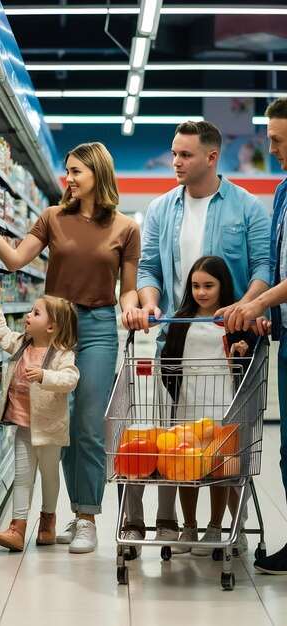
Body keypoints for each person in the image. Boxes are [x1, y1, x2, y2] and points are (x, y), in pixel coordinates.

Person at [0, 141, 141, 554]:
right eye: (68, 170)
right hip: (57, 329)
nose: (69, 178)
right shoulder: (52, 218)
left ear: (98, 173)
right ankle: (70, 512)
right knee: (57, 424)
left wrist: (136, 310)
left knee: (87, 424)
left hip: (99, 328)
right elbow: (14, 260)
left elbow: (129, 291)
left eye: (76, 171)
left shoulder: (126, 228)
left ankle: (87, 518)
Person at [121, 120, 271, 559]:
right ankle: (187, 525)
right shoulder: (163, 208)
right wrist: (150, 302)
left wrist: (247, 307)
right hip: (179, 343)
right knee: (184, 441)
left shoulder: (246, 207)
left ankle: (232, 525)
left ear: (211, 157)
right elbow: (148, 269)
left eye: (185, 155)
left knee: (231, 441)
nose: (175, 162)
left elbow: (263, 266)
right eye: (173, 153)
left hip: (235, 343)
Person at [218, 97, 287, 574]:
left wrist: (259, 301)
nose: (271, 146)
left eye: (279, 138)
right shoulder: (283, 191)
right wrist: (264, 313)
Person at [161, 256, 256, 555]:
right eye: (196, 286)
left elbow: (243, 363)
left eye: (209, 286)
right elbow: (169, 361)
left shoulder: (233, 321)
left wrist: (241, 351)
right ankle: (189, 526)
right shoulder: (181, 320)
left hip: (222, 408)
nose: (201, 292)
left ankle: (215, 527)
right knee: (184, 470)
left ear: (222, 286)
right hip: (187, 406)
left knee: (220, 470)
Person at [0, 280, 79, 551]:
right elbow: (1, 335)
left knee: (49, 476)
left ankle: (47, 521)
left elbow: (70, 379)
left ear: (51, 327)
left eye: (35, 313)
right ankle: (17, 527)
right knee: (22, 477)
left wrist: (45, 375)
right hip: (24, 426)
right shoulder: (22, 344)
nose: (27, 316)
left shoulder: (61, 354)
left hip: (49, 430)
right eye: (30, 312)